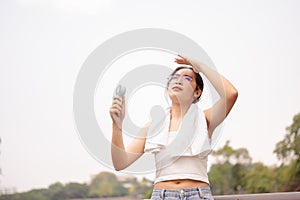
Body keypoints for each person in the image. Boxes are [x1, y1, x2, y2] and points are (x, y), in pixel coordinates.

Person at [110, 54, 238, 200]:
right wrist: (116, 126)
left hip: (198, 194)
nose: (178, 80)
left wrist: (201, 67)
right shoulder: (153, 126)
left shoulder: (205, 119)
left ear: (197, 92)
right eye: (173, 78)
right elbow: (120, 162)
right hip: (162, 195)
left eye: (187, 78)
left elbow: (231, 94)